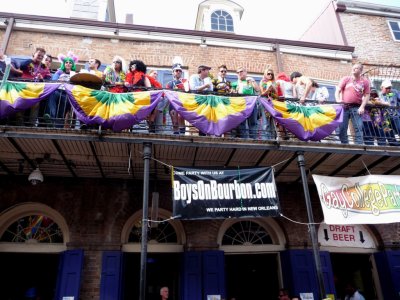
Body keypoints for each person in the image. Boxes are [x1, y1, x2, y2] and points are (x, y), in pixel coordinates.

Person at [335, 62, 370, 144]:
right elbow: (338, 90)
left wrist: (362, 107)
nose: (354, 69)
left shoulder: (365, 82)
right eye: (353, 67)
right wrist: (337, 99)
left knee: (358, 127)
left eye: (356, 68)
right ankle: (345, 145)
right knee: (342, 128)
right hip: (344, 107)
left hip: (356, 107)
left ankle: (358, 145)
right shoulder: (346, 79)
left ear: (361, 71)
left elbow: (367, 95)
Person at [16, 47, 51, 126]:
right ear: (33, 54)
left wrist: (42, 79)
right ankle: (18, 123)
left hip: (35, 90)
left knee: (35, 104)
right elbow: (22, 66)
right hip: (24, 87)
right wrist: (32, 60)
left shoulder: (44, 67)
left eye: (42, 56)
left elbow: (49, 80)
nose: (40, 57)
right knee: (21, 102)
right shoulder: (29, 62)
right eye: (38, 55)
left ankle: (31, 124)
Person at [44, 51, 78, 128]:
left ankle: (58, 126)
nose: (68, 63)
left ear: (72, 64)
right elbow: (54, 79)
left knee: (62, 111)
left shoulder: (74, 74)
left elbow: (76, 83)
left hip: (67, 93)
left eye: (70, 62)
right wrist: (59, 80)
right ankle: (50, 118)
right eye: (66, 62)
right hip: (57, 91)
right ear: (64, 64)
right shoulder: (59, 72)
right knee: (52, 95)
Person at [231, 66, 260, 138]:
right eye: (238, 72)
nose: (239, 73)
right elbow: (232, 94)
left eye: (241, 71)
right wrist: (234, 91)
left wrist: (252, 81)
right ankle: (244, 139)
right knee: (242, 122)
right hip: (241, 104)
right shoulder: (234, 83)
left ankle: (254, 139)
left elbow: (257, 90)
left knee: (253, 122)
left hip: (252, 104)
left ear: (246, 72)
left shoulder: (250, 81)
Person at [166, 63, 188, 134]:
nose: (178, 72)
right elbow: (167, 95)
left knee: (181, 119)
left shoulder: (185, 81)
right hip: (172, 104)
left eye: (180, 71)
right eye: (176, 70)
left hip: (182, 103)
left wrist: (184, 85)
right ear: (173, 72)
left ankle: (183, 139)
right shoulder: (169, 84)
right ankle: (176, 140)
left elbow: (187, 91)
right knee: (175, 123)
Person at [259, 68, 281, 139]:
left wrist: (274, 89)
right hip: (265, 102)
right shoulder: (262, 82)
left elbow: (277, 96)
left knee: (272, 122)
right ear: (265, 74)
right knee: (265, 121)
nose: (270, 75)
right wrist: (268, 90)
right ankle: (265, 138)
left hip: (273, 103)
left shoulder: (275, 83)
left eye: (272, 74)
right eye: (268, 74)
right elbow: (262, 94)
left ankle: (272, 138)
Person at [379, 79, 400, 145]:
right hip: (385, 117)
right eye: (387, 88)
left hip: (395, 116)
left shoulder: (395, 92)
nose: (389, 89)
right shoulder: (379, 95)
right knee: (388, 132)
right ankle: (394, 144)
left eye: (390, 87)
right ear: (382, 87)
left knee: (399, 128)